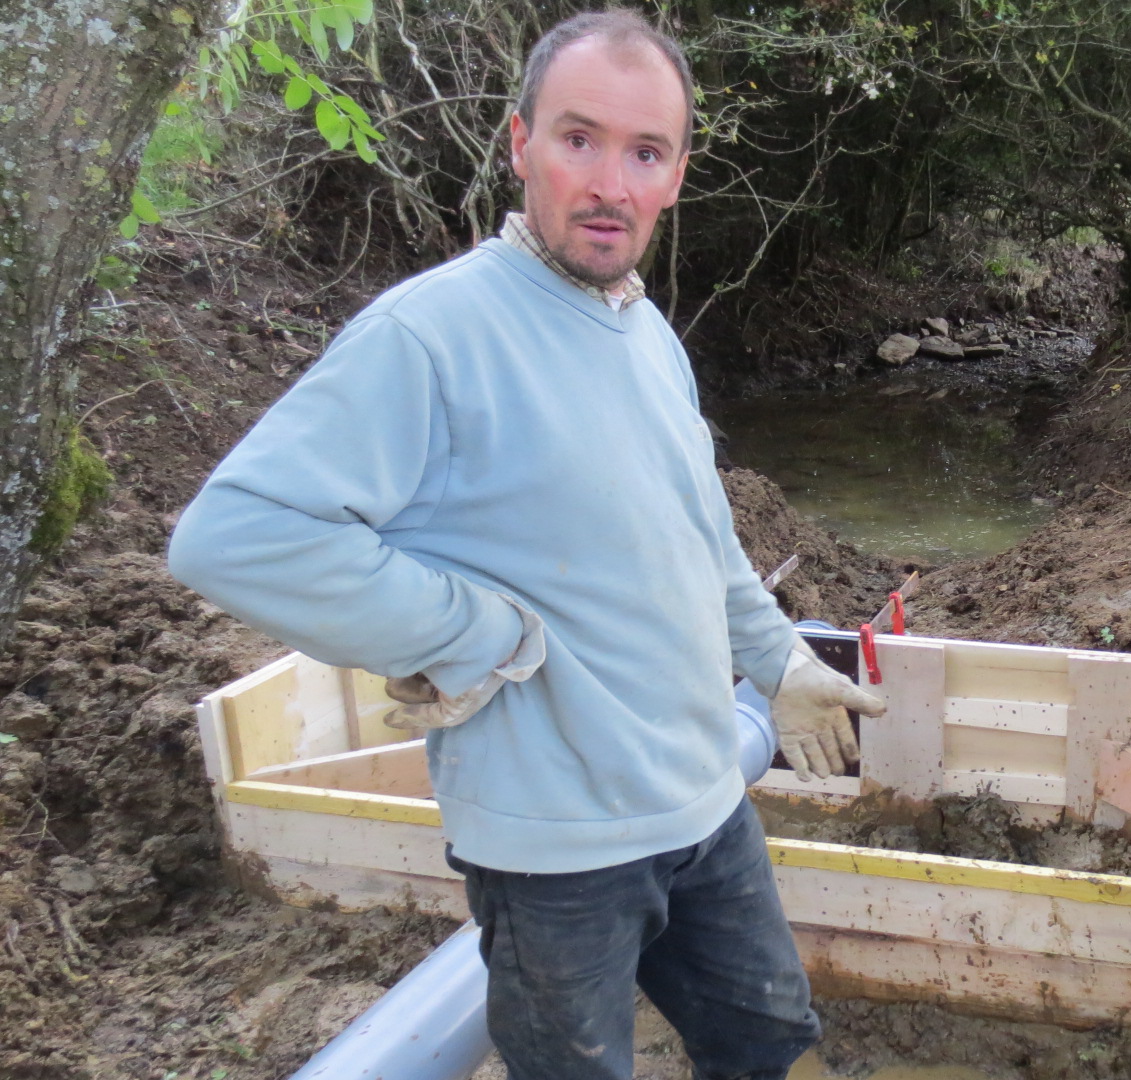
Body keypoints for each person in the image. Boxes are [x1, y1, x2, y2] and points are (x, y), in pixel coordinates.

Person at [167, 11, 886, 1080]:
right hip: (556, 855)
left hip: (702, 806)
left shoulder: (645, 334)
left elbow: (700, 535)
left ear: (676, 175)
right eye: (578, 139)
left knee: (770, 1041)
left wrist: (778, 660)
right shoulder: (433, 336)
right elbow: (235, 538)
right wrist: (470, 631)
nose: (610, 183)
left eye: (645, 152)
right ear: (519, 143)